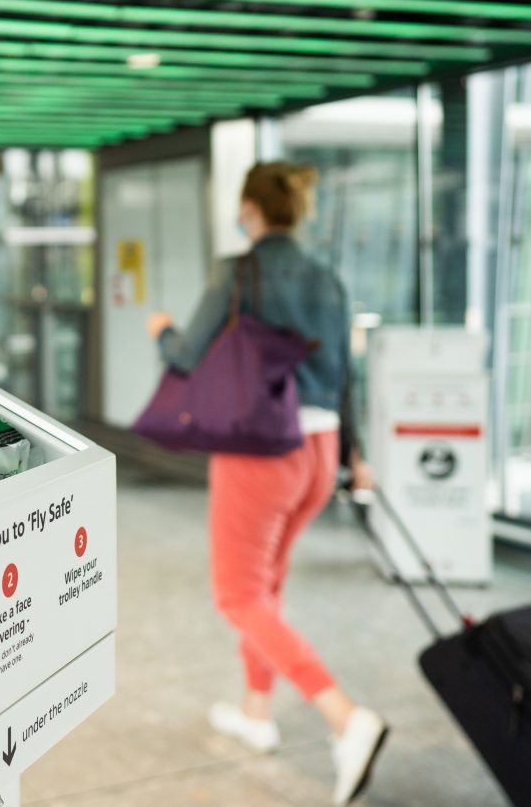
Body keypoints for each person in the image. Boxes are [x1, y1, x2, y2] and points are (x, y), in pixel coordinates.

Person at [146, 162, 387, 807]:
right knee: (266, 587)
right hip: (321, 452)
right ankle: (257, 711)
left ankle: (345, 719)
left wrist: (160, 330)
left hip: (261, 451)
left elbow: (186, 356)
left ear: (249, 208)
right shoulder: (327, 277)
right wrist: (357, 454)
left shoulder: (238, 272)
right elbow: (346, 376)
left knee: (237, 596)